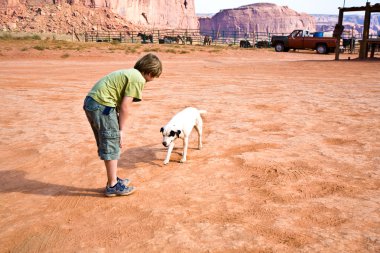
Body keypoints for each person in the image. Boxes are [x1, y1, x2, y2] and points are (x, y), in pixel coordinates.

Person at [83, 53, 162, 197]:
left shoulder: (131, 73)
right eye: (154, 77)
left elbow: (119, 104)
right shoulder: (138, 78)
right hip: (102, 105)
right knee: (112, 141)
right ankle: (112, 186)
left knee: (108, 142)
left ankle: (112, 180)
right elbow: (125, 106)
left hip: (93, 102)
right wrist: (121, 130)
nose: (153, 80)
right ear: (150, 73)